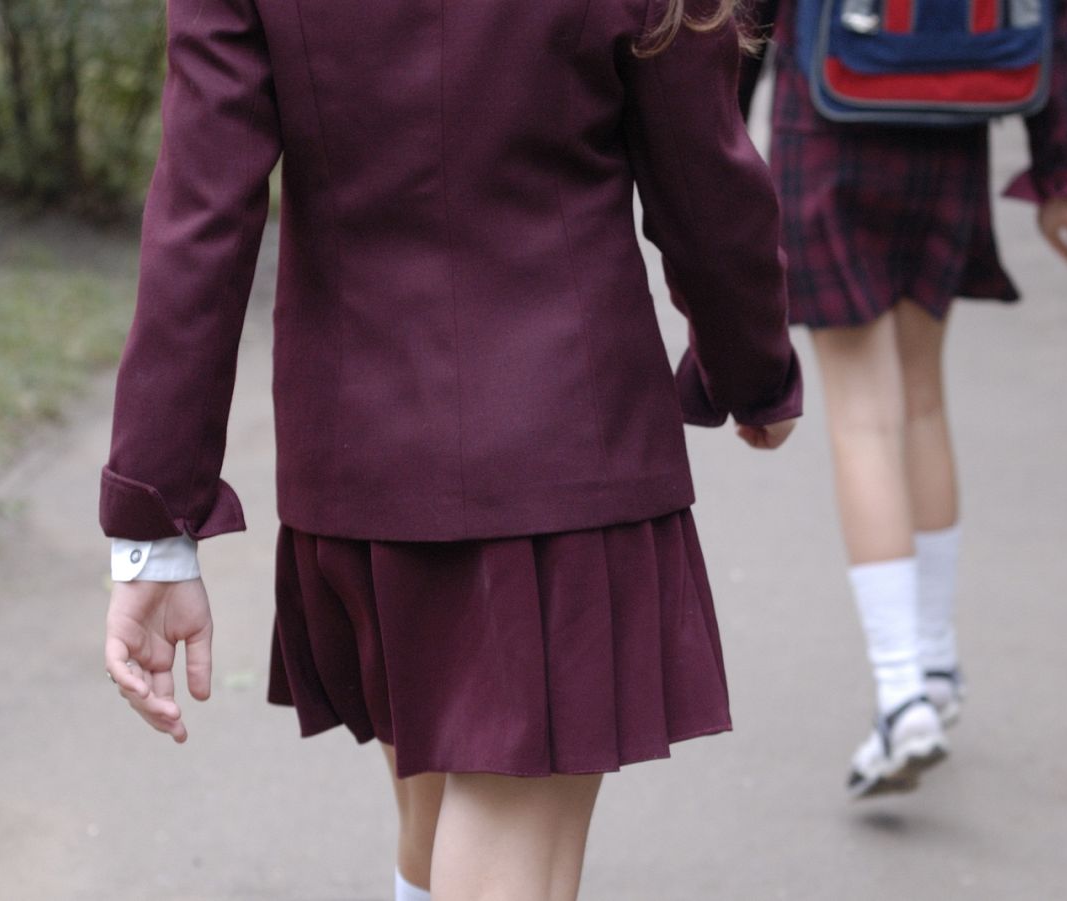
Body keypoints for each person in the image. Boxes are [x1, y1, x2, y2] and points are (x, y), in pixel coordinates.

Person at [97, 0, 801, 896]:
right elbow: (704, 177)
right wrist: (753, 370)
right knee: (496, 848)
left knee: (435, 837)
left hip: (360, 458)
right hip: (560, 456)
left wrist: (153, 523)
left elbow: (200, 213)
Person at [740, 0, 1067, 798]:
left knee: (862, 418)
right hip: (950, 116)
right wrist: (1062, 179)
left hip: (828, 124)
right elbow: (1052, 16)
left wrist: (715, 149)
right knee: (921, 402)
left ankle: (901, 691)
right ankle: (937, 664)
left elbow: (739, 15)